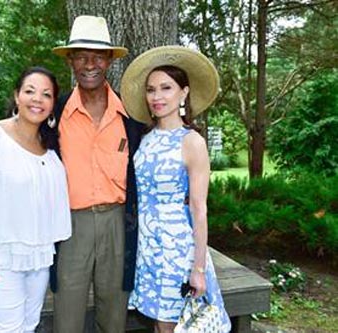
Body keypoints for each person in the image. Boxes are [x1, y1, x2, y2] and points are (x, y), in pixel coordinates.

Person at [120, 46, 231, 333]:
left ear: (183, 93)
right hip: (147, 248)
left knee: (172, 326)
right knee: (160, 324)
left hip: (176, 250)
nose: (157, 97)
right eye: (151, 89)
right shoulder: (144, 139)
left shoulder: (192, 142)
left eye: (166, 88)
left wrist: (198, 268)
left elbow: (199, 208)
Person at [0, 66, 72, 333]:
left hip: (39, 257)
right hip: (0, 257)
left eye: (46, 94)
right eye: (29, 91)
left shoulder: (50, 148)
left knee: (29, 326)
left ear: (53, 105)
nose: (37, 99)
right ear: (17, 96)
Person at [50, 15, 144, 333]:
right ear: (71, 61)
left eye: (98, 55)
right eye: (81, 55)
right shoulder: (54, 113)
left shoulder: (132, 116)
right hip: (70, 227)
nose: (89, 63)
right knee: (67, 317)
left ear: (109, 61)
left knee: (114, 315)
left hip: (118, 223)